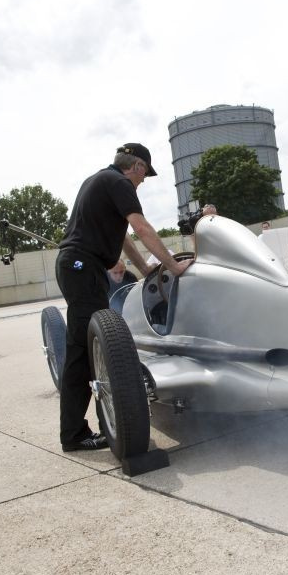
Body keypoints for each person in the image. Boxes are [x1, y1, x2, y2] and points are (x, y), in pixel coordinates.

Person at [56, 143, 191, 452]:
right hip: (82, 267)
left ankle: (79, 431)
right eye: (144, 176)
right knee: (86, 351)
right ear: (137, 166)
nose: (142, 182)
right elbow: (141, 226)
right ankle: (75, 434)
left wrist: (145, 269)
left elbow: (124, 236)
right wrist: (173, 266)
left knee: (86, 347)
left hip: (78, 266)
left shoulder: (100, 180)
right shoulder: (119, 182)